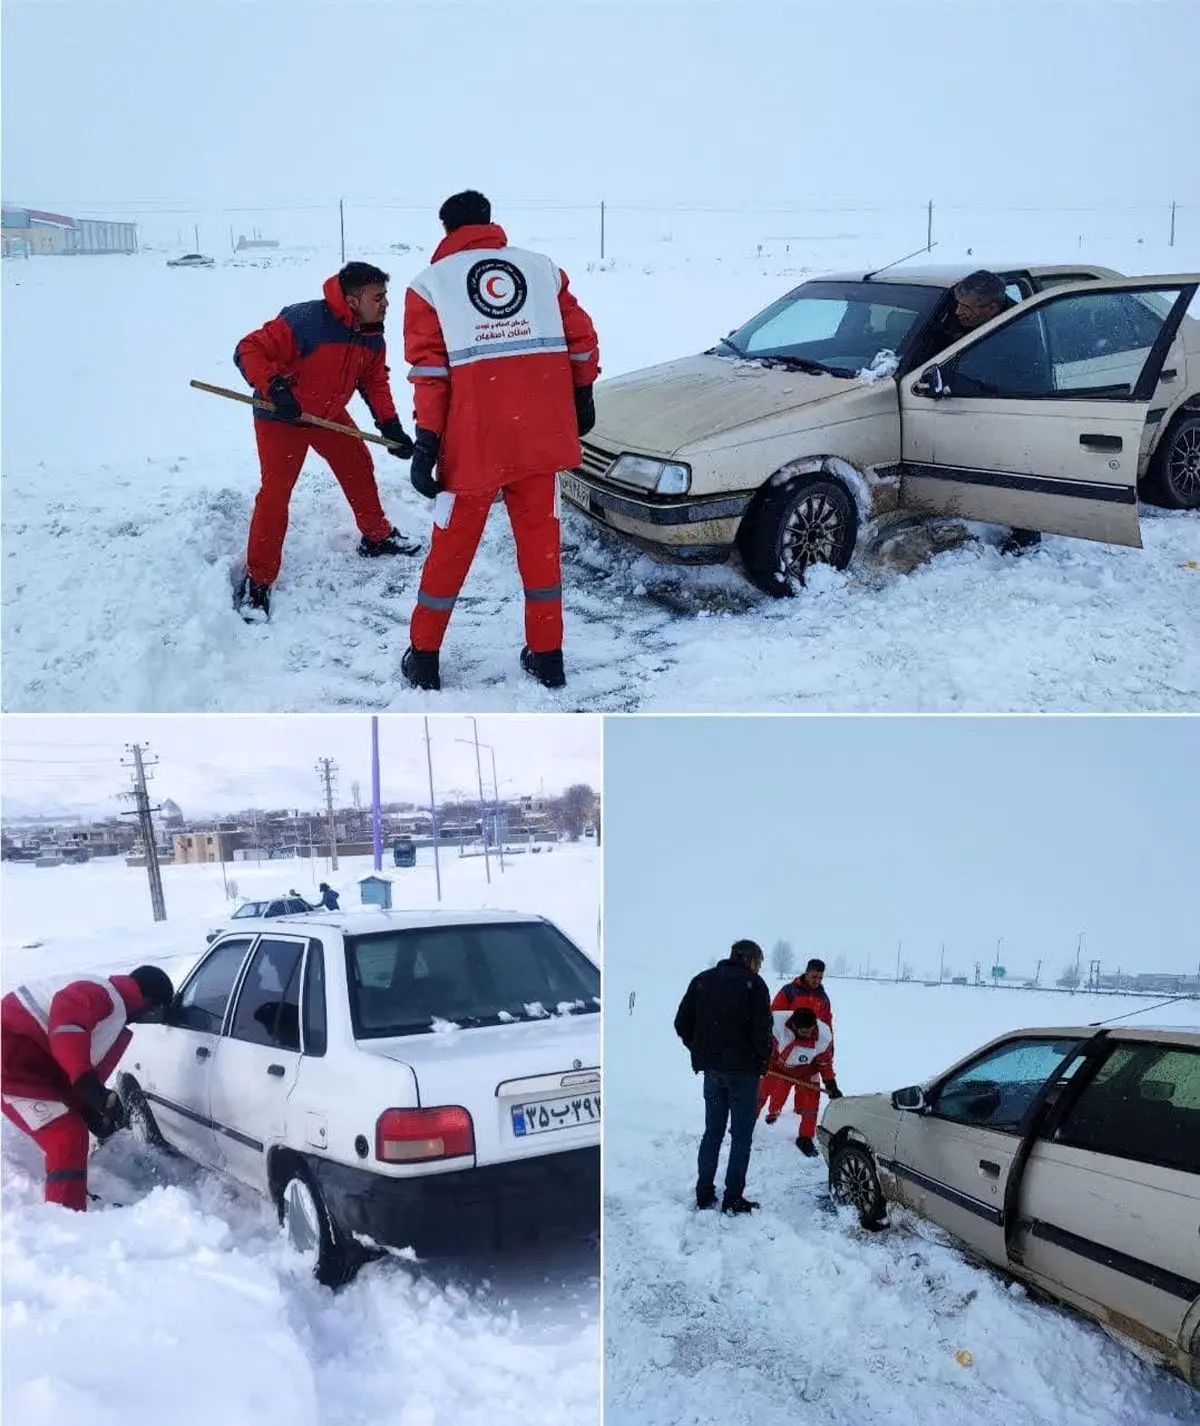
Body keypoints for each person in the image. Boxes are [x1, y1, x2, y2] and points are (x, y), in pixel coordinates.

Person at [399, 190, 600, 693]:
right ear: (491, 222)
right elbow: (583, 341)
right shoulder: (541, 271)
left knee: (450, 551)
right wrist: (583, 393)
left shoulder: (429, 287)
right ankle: (549, 656)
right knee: (541, 550)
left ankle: (424, 657)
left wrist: (427, 442)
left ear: (445, 230)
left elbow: (430, 374)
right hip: (539, 441)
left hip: (472, 449)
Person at [232, 261, 420, 620]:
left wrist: (390, 426)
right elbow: (247, 349)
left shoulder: (371, 334)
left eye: (385, 297)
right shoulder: (304, 322)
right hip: (281, 416)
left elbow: (374, 381)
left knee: (358, 465)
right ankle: (258, 580)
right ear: (352, 300)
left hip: (327, 415)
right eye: (377, 297)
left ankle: (376, 536)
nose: (385, 304)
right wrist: (276, 388)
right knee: (276, 494)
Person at [0, 965, 175, 1210]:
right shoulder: (102, 995)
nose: (152, 1017)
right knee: (66, 1136)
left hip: (29, 1064)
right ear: (148, 1001)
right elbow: (67, 1026)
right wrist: (89, 1086)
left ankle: (67, 1203)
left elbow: (66, 1060)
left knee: (72, 1129)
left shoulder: (112, 1008)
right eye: (156, 1010)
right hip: (11, 1059)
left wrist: (86, 1105)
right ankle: (65, 1218)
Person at [917, 270, 1040, 555]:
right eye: (957, 303)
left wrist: (951, 380)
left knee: (1016, 471)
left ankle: (1026, 533)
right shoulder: (952, 319)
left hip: (1010, 412)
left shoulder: (1019, 335)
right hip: (965, 412)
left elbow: (997, 379)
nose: (957, 312)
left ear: (992, 309)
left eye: (967, 307)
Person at [673, 939, 773, 1215]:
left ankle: (704, 1194)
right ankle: (732, 1198)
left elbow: (681, 1023)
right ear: (749, 959)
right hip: (744, 1076)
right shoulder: (755, 986)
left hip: (713, 1073)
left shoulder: (702, 981)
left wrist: (701, 1050)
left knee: (712, 1133)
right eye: (759, 962)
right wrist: (761, 1061)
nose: (759, 968)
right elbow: (763, 1032)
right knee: (741, 1137)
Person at [757, 1006, 841, 1156]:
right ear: (794, 1026)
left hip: (807, 1069)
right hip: (777, 1064)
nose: (809, 1035)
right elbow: (758, 1039)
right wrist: (758, 1058)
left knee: (812, 1103)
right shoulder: (775, 1023)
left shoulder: (823, 1036)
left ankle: (805, 1137)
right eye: (804, 1032)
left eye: (811, 1030)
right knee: (761, 1093)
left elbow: (824, 1063)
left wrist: (831, 1083)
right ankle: (745, 1122)